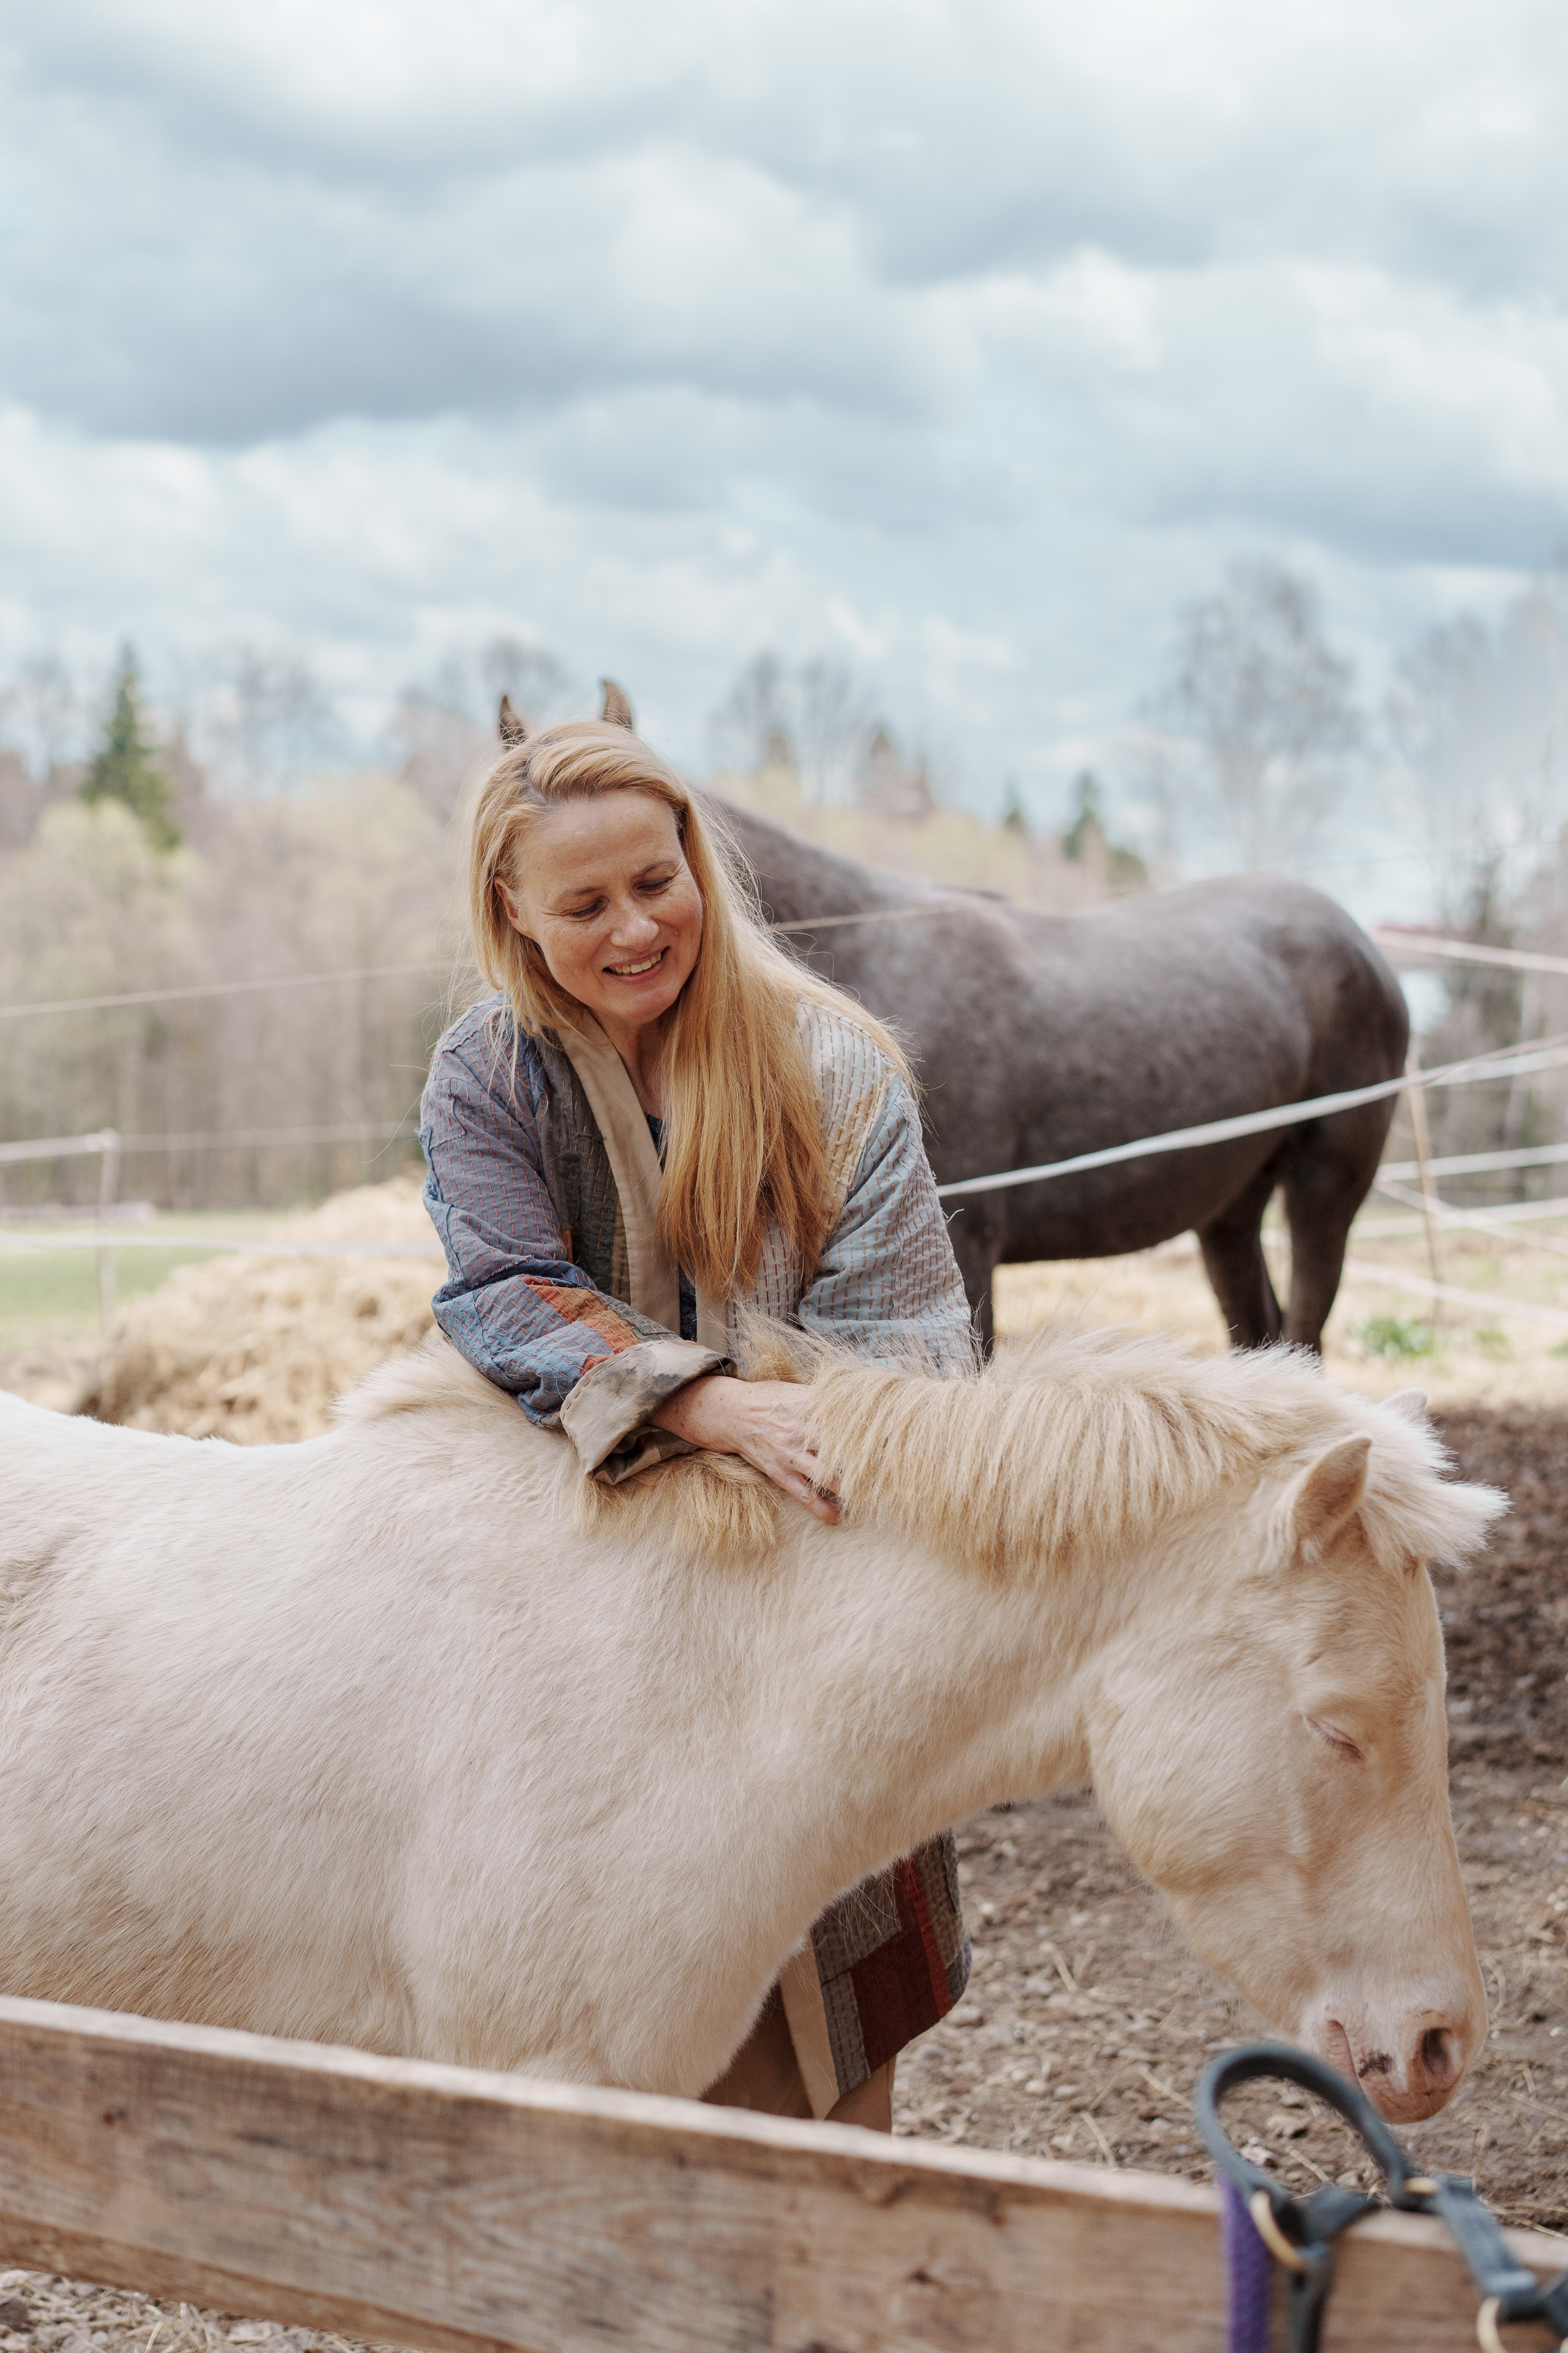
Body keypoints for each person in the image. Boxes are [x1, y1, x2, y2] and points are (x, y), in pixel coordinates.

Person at [419, 681, 975, 2127]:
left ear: (698, 866)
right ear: (514, 911)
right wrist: (705, 1405)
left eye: (656, 882)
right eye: (583, 901)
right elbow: (502, 1290)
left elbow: (915, 1351)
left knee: (840, 1996)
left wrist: (790, 1436)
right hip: (587, 1591)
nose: (633, 928)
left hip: (814, 1564)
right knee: (611, 1978)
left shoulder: (837, 1068)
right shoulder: (488, 1073)